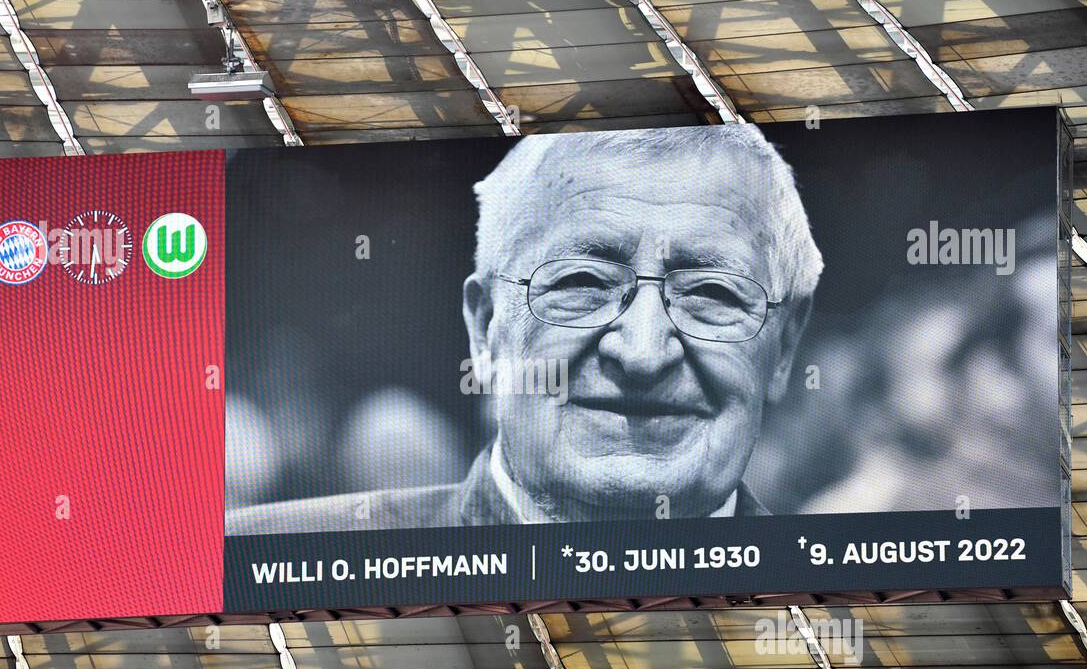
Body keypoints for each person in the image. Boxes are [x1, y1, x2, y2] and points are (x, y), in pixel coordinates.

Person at [227, 124, 822, 534]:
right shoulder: (250, 563)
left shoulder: (868, 602)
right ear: (485, 330)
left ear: (785, 347)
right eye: (581, 284)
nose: (643, 354)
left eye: (712, 293)